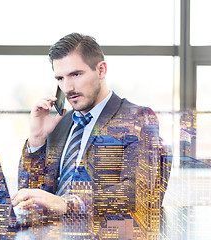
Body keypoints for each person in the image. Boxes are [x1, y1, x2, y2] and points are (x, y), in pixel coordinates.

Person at [11, 33, 165, 233]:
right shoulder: (60, 124)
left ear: (101, 70)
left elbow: (136, 191)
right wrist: (37, 139)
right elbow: (29, 193)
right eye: (60, 78)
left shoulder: (137, 118)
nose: (67, 88)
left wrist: (68, 204)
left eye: (76, 74)